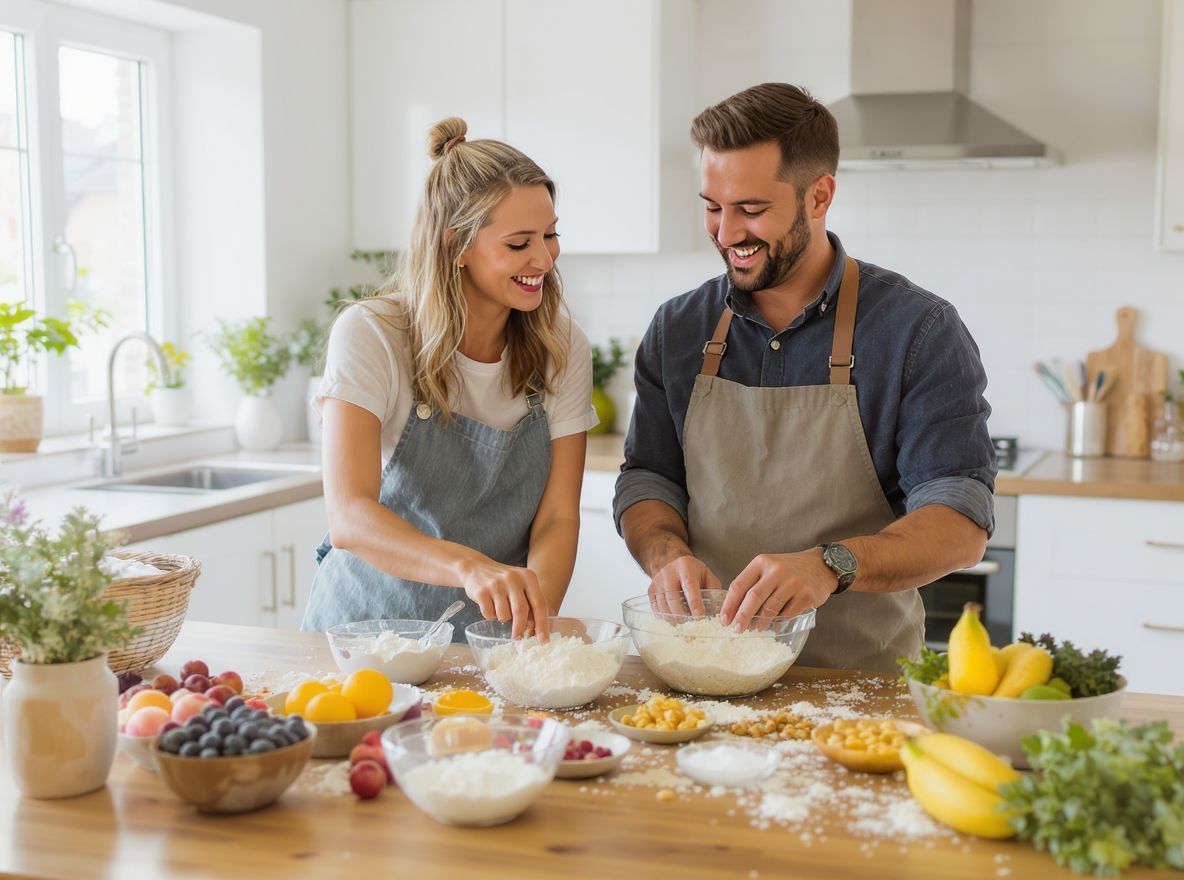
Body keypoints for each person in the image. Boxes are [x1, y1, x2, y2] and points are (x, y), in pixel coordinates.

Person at [614, 83, 995, 673]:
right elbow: (647, 478)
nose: (724, 232)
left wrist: (831, 564)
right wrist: (667, 557)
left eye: (752, 209)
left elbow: (959, 522)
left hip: (859, 681)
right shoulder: (679, 328)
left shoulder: (917, 330)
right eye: (713, 206)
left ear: (819, 198)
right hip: (702, 673)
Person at [302, 117, 597, 641]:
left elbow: (557, 519)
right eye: (518, 243)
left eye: (550, 235)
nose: (544, 259)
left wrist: (534, 623)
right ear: (456, 245)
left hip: (489, 644)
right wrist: (467, 567)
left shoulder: (561, 346)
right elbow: (349, 515)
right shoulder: (373, 334)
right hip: (365, 638)